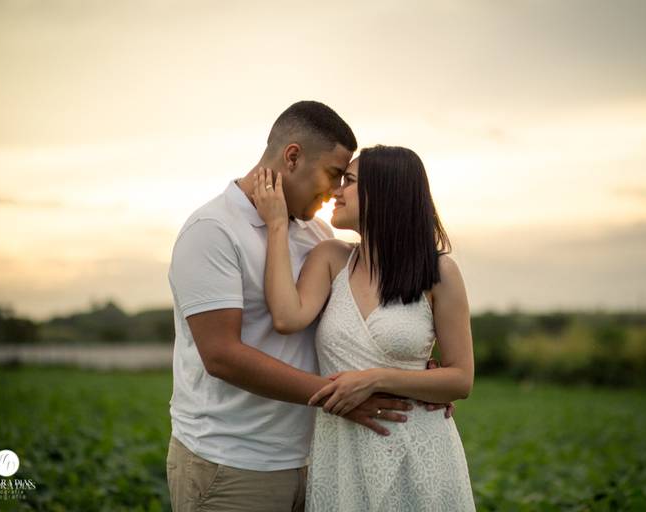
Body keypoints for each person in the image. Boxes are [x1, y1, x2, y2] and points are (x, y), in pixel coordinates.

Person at [166, 101, 450, 512]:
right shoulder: (211, 231)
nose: (336, 191)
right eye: (335, 174)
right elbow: (222, 356)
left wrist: (411, 377)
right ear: (293, 156)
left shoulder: (317, 234)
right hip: (232, 463)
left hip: (317, 458)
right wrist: (345, 397)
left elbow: (351, 322)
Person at [252, 145, 476, 510]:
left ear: (386, 192)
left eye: (350, 181)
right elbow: (286, 317)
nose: (336, 191)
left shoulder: (440, 274)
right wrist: (277, 225)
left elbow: (461, 379)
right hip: (342, 454)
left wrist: (376, 378)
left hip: (419, 453)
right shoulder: (330, 258)